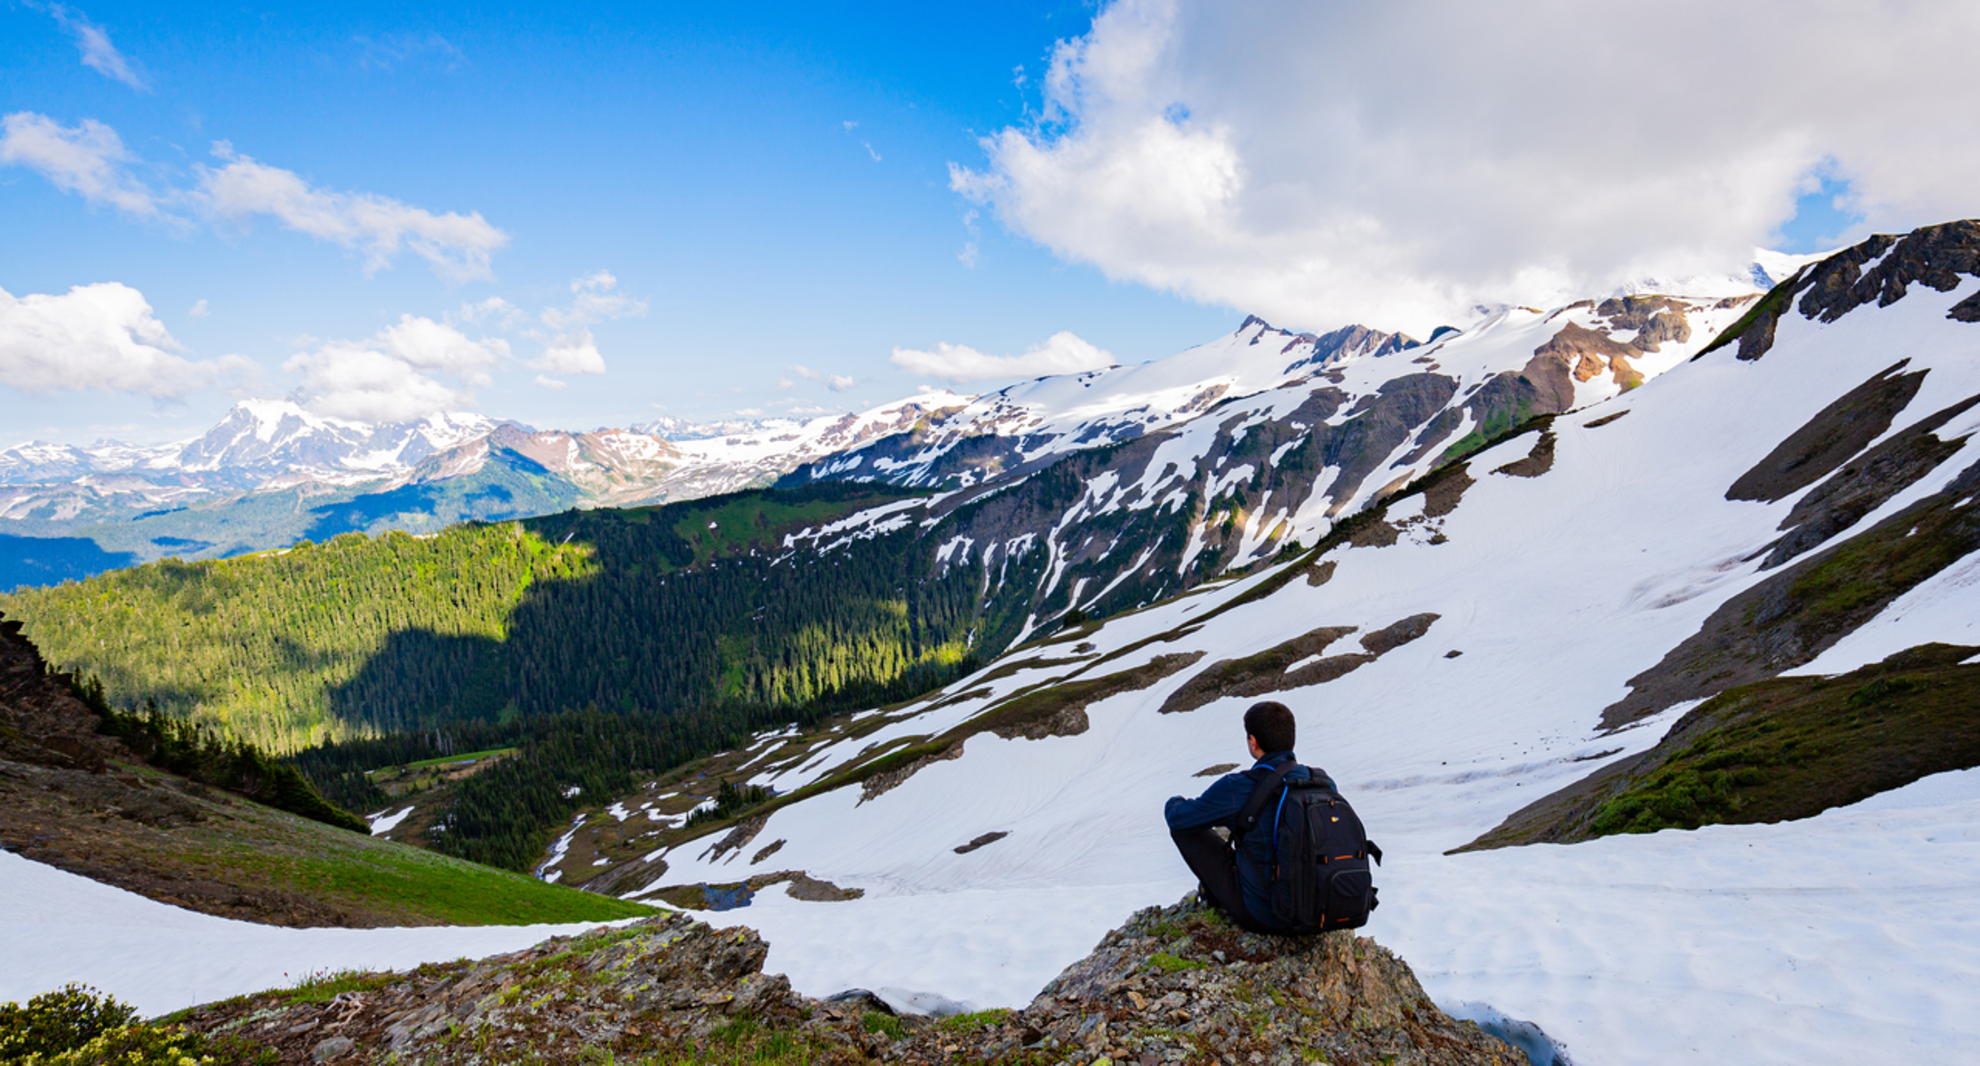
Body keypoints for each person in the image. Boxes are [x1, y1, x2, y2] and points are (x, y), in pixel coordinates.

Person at [1164, 700, 1317, 933]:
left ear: (1253, 742)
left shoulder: (1239, 787)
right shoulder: (1320, 782)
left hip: (1266, 915)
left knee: (1184, 829)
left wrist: (1174, 802)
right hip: (1318, 910)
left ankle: (1213, 896)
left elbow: (1179, 819)